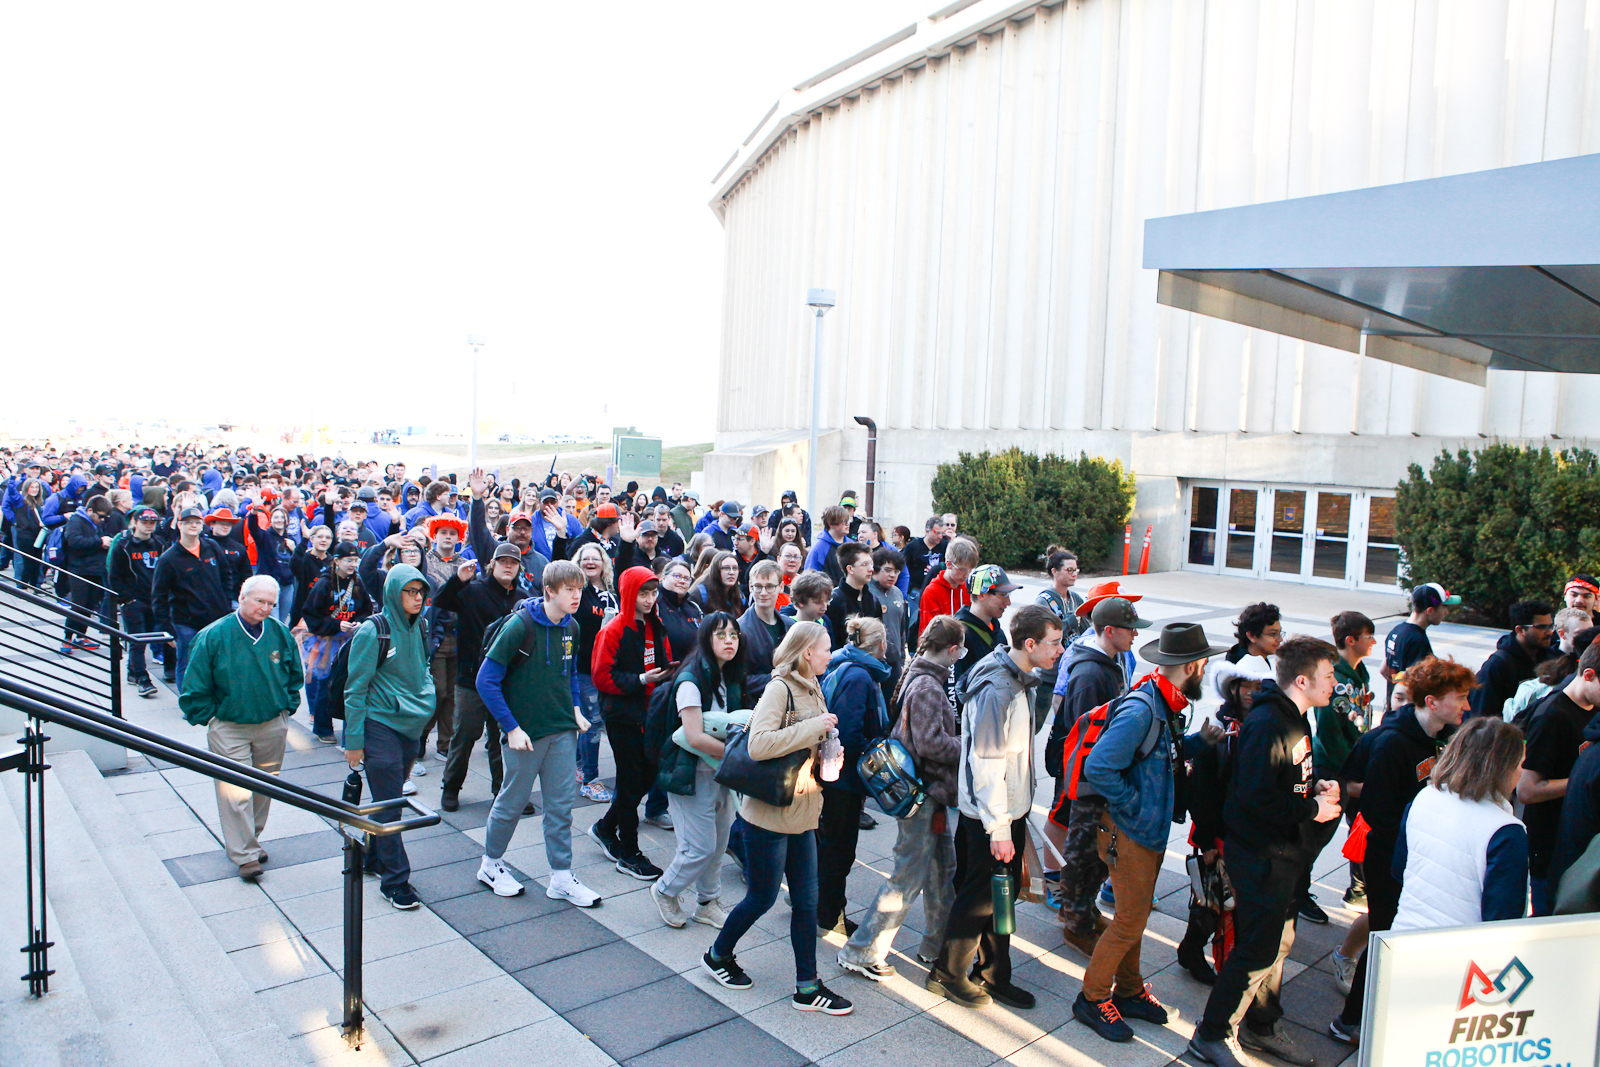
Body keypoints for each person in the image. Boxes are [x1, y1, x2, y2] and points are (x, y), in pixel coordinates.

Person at [1189, 637, 1345, 1067]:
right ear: (1302, 680)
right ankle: (1212, 1034)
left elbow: (1283, 781)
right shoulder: (1269, 724)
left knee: (1277, 942)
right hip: (1260, 855)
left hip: (1284, 853)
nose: (1335, 684)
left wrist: (1313, 788)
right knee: (1256, 948)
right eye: (1328, 677)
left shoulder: (1297, 716)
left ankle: (1260, 1025)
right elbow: (1255, 798)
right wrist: (1313, 807)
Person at [1075, 622, 1225, 1042]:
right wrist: (1134, 807)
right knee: (1127, 920)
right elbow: (1100, 766)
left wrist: (1199, 741)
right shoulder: (1144, 708)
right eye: (1205, 663)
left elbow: (1160, 756)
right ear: (1193, 666)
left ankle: (1129, 990)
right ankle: (1092, 997)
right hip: (1132, 831)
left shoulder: (1164, 700)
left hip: (1145, 828)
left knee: (1135, 916)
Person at [700, 621, 854, 1016]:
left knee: (806, 902)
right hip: (768, 814)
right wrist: (812, 728)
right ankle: (717, 955)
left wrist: (826, 751)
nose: (830, 654)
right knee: (762, 897)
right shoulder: (780, 688)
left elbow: (807, 742)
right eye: (825, 648)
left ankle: (807, 987)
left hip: (803, 809)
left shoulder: (812, 684)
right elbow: (759, 744)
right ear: (806, 653)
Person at [1321, 655, 1474, 1047]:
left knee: (1388, 930)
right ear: (1433, 701)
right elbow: (1375, 808)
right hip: (1388, 853)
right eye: (1460, 697)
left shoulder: (1436, 735)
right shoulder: (1393, 743)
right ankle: (1350, 1021)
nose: (1467, 706)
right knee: (1386, 934)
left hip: (1411, 849)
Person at [926, 605, 1064, 1010]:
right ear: (1029, 644)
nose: (1060, 650)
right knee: (979, 897)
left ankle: (992, 973)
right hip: (991, 815)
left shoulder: (1018, 677)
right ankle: (947, 974)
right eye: (1053, 643)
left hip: (1005, 810)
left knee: (999, 895)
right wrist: (1000, 828)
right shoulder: (999, 688)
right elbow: (986, 762)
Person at [837, 615, 963, 981]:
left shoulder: (918, 675)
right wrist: (966, 743)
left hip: (925, 794)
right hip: (923, 796)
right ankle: (861, 951)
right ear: (952, 650)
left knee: (942, 873)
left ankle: (937, 947)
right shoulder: (928, 687)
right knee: (907, 878)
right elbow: (929, 743)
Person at [471, 559, 602, 907]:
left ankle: (561, 876)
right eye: (569, 590)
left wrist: (575, 709)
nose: (577, 596)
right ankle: (490, 863)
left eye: (579, 590)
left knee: (561, 808)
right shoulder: (520, 625)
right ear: (550, 591)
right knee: (511, 802)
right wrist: (510, 727)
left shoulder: (572, 627)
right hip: (525, 733)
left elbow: (569, 672)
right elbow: (485, 680)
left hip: (561, 729)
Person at [178, 576, 304, 881]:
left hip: (272, 723)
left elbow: (293, 673)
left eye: (271, 603)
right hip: (230, 726)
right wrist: (211, 716)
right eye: (259, 601)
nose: (265, 608)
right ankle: (244, 854)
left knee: (263, 787)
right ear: (242, 597)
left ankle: (251, 839)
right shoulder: (215, 635)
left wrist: (287, 706)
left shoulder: (278, 632)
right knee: (236, 792)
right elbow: (194, 684)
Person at [1046, 596, 1146, 958]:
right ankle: (1075, 921)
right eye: (1130, 629)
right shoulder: (1090, 672)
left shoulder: (1112, 663)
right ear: (1109, 631)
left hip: (1100, 777)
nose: (1135, 635)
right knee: (1084, 852)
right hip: (1088, 780)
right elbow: (1083, 729)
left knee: (1096, 854)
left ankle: (1083, 910)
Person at [342, 564, 437, 911]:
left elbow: (423, 668)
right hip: (378, 724)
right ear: (394, 593)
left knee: (390, 797)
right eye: (409, 592)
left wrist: (426, 696)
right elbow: (355, 689)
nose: (417, 598)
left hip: (410, 725)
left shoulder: (421, 624)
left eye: (421, 592)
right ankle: (395, 881)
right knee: (391, 805)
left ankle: (371, 856)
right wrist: (353, 741)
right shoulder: (373, 630)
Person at [1177, 658, 1274, 984]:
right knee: (1209, 901)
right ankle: (1191, 952)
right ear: (1234, 688)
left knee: (1227, 903)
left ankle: (1199, 953)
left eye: (1260, 687)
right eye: (1247, 685)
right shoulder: (1222, 733)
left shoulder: (1264, 727)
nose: (1253, 693)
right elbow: (1202, 792)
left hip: (1244, 837)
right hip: (1215, 834)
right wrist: (1206, 842)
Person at [650, 613, 748, 930]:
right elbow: (693, 737)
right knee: (699, 847)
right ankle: (666, 891)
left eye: (734, 634)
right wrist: (742, 755)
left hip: (720, 772)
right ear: (706, 639)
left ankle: (708, 902)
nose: (730, 640)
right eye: (721, 635)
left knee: (718, 844)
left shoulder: (729, 676)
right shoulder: (691, 680)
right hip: (689, 773)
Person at [1391, 717, 1528, 931]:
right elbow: (1503, 916)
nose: (1521, 772)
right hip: (1461, 954)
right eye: (1520, 764)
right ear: (1503, 768)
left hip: (1403, 936)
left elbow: (1400, 870)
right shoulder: (1506, 831)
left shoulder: (1424, 797)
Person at [589, 566, 674, 880]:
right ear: (629, 594)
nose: (650, 599)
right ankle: (629, 852)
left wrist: (669, 674)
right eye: (643, 593)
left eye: (653, 593)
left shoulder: (656, 625)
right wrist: (640, 679)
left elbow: (662, 661)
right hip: (622, 715)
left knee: (645, 777)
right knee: (629, 780)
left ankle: (605, 827)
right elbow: (601, 677)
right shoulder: (613, 630)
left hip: (650, 713)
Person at [435, 544, 530, 811]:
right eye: (503, 561)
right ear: (492, 564)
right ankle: (451, 787)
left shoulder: (521, 598)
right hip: (472, 679)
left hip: (507, 682)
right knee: (465, 736)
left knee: (503, 740)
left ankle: (505, 792)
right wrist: (457, 580)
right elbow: (441, 602)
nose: (508, 566)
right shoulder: (474, 590)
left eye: (513, 562)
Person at [815, 616, 893, 935]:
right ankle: (827, 915)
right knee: (839, 850)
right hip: (842, 780)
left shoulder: (844, 664)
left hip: (834, 776)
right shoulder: (861, 676)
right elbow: (847, 732)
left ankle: (820, 907)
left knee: (830, 845)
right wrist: (877, 752)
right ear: (880, 645)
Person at [1517, 640, 1600, 916]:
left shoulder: (1593, 707)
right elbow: (1526, 790)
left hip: (1577, 841)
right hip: (1548, 848)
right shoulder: (1552, 716)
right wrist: (1582, 780)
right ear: (1588, 675)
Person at [1313, 611, 1376, 914]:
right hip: (1334, 769)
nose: (1374, 641)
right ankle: (1296, 893)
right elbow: (1327, 730)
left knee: (1361, 826)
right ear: (1351, 640)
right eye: (1368, 636)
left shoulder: (1358, 674)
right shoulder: (1337, 678)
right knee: (1320, 833)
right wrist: (1348, 770)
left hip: (1353, 764)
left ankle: (1359, 889)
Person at [153, 506, 237, 688]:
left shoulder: (212, 547)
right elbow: (159, 596)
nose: (193, 526)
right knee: (188, 663)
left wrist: (226, 603)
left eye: (197, 522)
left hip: (216, 618)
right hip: (186, 622)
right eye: (188, 522)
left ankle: (214, 701)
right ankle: (190, 705)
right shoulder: (168, 559)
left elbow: (226, 576)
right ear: (179, 525)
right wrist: (168, 630)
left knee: (217, 662)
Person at [298, 542, 373, 742]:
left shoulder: (357, 582)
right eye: (348, 560)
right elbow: (311, 614)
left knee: (351, 682)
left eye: (355, 560)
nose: (353, 564)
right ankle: (323, 728)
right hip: (326, 641)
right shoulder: (324, 584)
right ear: (337, 561)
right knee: (325, 684)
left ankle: (351, 730)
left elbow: (366, 608)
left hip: (349, 641)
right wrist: (336, 625)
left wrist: (360, 622)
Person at [571, 542, 620, 802]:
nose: (591, 562)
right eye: (585, 558)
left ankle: (580, 765)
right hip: (584, 666)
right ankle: (590, 780)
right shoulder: (579, 592)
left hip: (607, 665)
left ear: (604, 564)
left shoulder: (611, 593)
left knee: (589, 721)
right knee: (591, 722)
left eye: (596, 558)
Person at [107, 505, 165, 698]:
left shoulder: (159, 544)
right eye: (145, 522)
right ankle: (142, 678)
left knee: (147, 638)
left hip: (154, 599)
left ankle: (133, 671)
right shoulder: (123, 546)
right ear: (135, 523)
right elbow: (114, 575)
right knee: (137, 640)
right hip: (133, 601)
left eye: (152, 522)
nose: (149, 526)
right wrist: (127, 599)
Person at [1469, 599, 1554, 719]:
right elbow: (1482, 716)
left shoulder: (1549, 657)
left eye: (1551, 626)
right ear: (1520, 630)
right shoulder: (1497, 666)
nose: (1549, 632)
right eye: (1541, 627)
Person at [1383, 582, 1458, 706]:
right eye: (1444, 607)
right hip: (1407, 710)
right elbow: (1422, 683)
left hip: (1394, 705)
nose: (1446, 612)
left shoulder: (1396, 631)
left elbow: (1383, 669)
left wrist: (1396, 688)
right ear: (1430, 610)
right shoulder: (1418, 641)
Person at [59, 494, 114, 653]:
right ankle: (67, 638)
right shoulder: (76, 521)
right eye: (100, 516)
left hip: (95, 568)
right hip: (79, 569)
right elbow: (74, 542)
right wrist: (100, 542)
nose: (102, 520)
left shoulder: (95, 522)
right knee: (78, 605)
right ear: (90, 510)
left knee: (90, 605)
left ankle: (81, 635)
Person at [952, 564, 1016, 686]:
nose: (1008, 602)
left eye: (1008, 595)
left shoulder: (998, 633)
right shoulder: (959, 636)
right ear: (981, 595)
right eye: (1002, 595)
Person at [739, 559, 792, 699]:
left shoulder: (790, 626)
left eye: (769, 586)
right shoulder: (739, 629)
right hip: (755, 707)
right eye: (758, 586)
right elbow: (737, 680)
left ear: (781, 587)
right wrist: (776, 677)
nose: (763, 593)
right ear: (750, 587)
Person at [822, 542, 882, 651]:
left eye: (871, 564)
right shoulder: (834, 601)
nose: (871, 569)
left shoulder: (873, 600)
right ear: (850, 569)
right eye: (864, 564)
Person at [917, 536, 976, 633]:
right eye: (962, 569)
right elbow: (928, 634)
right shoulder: (931, 592)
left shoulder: (968, 588)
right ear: (949, 564)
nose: (967, 575)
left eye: (970, 570)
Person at [1224, 602, 1281, 666]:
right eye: (1273, 634)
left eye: (1279, 633)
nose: (1280, 639)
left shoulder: (1259, 661)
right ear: (1252, 636)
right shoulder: (1241, 670)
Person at [804, 505, 851, 583]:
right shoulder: (819, 548)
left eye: (848, 520)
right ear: (831, 524)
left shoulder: (851, 545)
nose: (847, 524)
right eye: (843, 521)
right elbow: (809, 579)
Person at [691, 549, 745, 616]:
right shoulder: (700, 594)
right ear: (716, 570)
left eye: (734, 568)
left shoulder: (740, 596)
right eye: (726, 568)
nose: (731, 572)